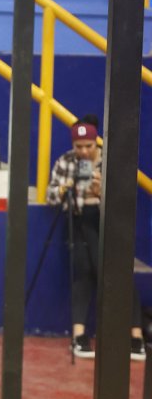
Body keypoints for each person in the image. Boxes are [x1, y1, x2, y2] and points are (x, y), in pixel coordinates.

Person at [46, 119, 146, 360]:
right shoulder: (66, 161)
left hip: (109, 225)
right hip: (80, 221)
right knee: (83, 272)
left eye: (88, 146)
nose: (83, 151)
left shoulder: (111, 161)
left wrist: (102, 193)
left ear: (96, 142)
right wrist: (67, 189)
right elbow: (51, 195)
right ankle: (79, 337)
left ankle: (135, 336)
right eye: (78, 146)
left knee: (119, 273)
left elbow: (125, 200)